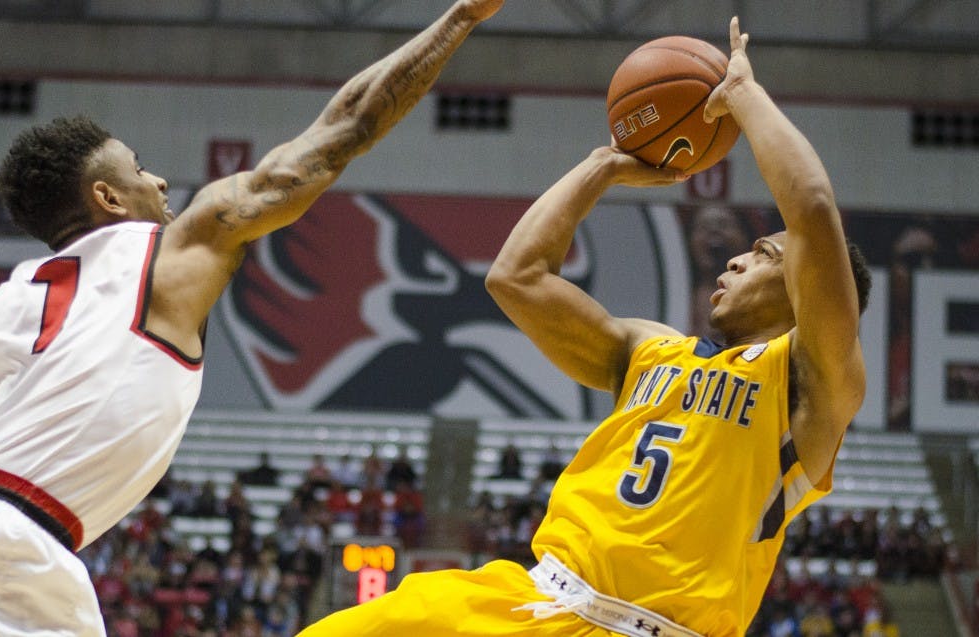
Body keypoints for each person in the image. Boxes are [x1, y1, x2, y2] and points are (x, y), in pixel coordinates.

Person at [297, 16, 871, 637]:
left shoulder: (812, 385)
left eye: (764, 253)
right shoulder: (651, 350)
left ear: (802, 289)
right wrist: (603, 168)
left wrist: (741, 93)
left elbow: (811, 207)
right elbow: (515, 278)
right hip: (534, 601)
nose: (735, 259)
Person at [0, 1, 505, 634]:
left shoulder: (8, 300)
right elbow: (346, 128)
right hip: (13, 548)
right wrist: (461, 19)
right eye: (140, 169)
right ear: (108, 197)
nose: (162, 181)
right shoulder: (165, 255)